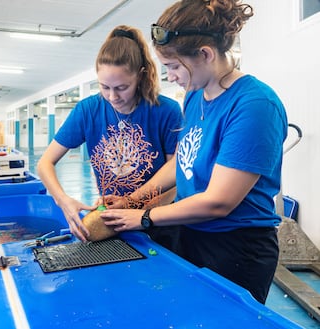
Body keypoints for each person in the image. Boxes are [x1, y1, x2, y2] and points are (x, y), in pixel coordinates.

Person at [100, 0, 288, 305]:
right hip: (191, 232)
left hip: (235, 247)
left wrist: (144, 217)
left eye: (174, 66)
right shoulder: (196, 96)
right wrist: (133, 199)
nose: (171, 76)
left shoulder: (254, 106)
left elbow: (218, 202)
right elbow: (182, 164)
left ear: (205, 54)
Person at [37, 25, 183, 246]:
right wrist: (63, 200)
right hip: (113, 222)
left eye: (122, 87)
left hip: (158, 221)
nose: (112, 96)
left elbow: (177, 177)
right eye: (104, 87)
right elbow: (45, 162)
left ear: (141, 76)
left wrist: (138, 210)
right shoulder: (88, 110)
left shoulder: (166, 111)